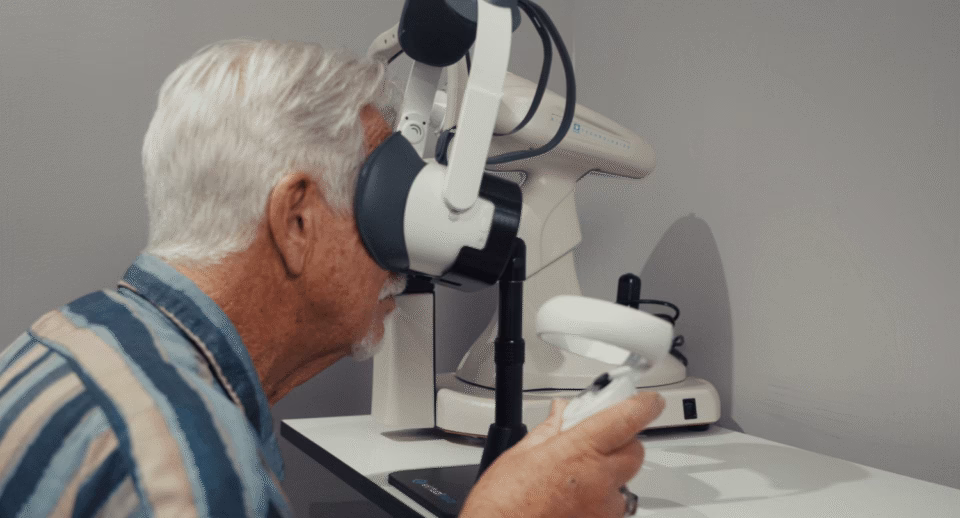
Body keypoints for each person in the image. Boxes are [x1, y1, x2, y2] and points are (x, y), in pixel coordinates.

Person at [0, 39, 665, 517]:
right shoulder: (189, 468)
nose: (403, 256)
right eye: (388, 203)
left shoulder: (71, 335)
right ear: (296, 221)